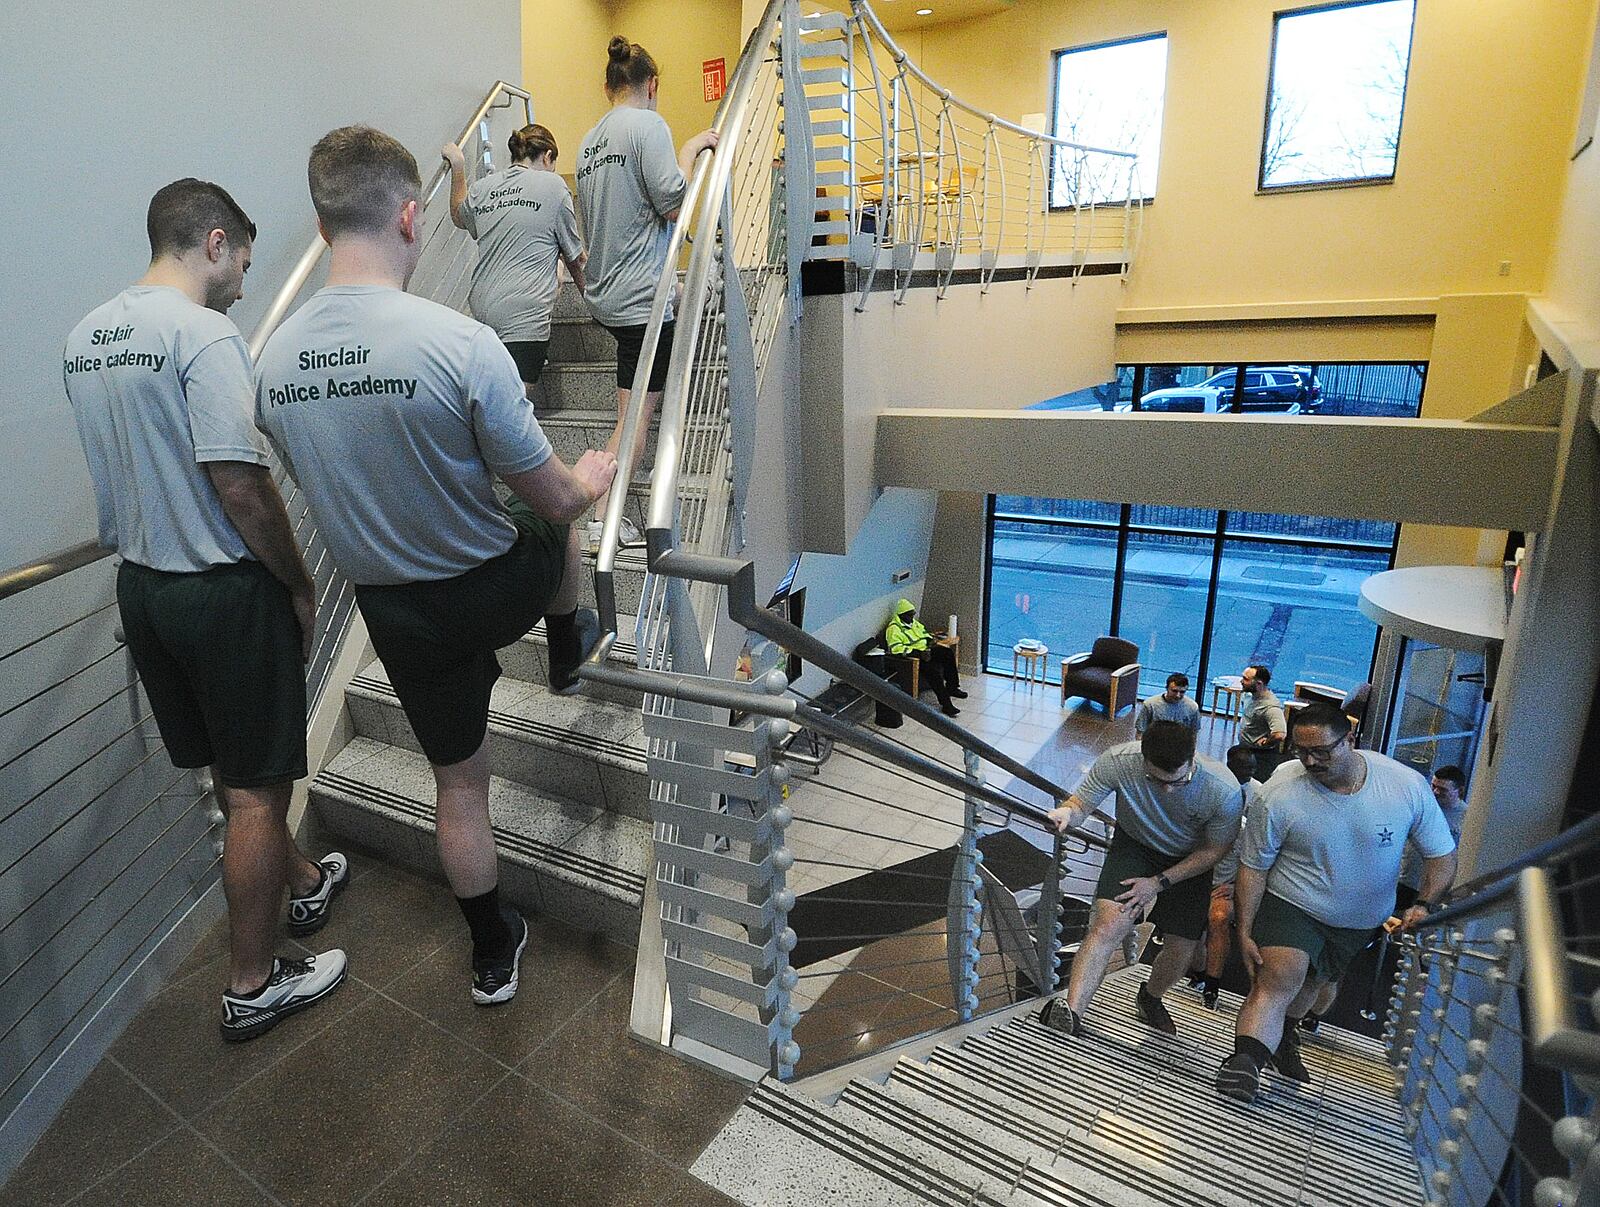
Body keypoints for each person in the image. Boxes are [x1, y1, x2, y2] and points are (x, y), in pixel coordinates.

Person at [256, 127, 618, 1006]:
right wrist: (594, 476)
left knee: (459, 786)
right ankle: (569, 647)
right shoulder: (460, 345)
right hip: (488, 587)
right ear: (412, 217)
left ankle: (493, 953)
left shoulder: (270, 367)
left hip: (396, 613)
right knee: (555, 522)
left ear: (323, 220)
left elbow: (323, 484)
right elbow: (558, 499)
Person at [62, 179, 348, 1041]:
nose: (242, 284)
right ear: (214, 241)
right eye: (243, 264)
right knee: (259, 789)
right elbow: (240, 482)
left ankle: (299, 881)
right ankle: (253, 982)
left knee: (229, 771)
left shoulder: (85, 338)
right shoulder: (202, 335)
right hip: (219, 592)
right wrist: (298, 583)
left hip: (145, 592)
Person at [1216, 703, 1458, 1102]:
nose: (1310, 761)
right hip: (1292, 902)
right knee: (1280, 977)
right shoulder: (1278, 793)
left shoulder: (1403, 785)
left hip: (1359, 920)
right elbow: (1254, 866)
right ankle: (1245, 1064)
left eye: (1322, 752)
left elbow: (1441, 855)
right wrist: (1243, 929)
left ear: (1350, 739)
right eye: (1301, 751)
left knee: (1313, 986)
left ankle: (1283, 1037)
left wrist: (1425, 904)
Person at [576, 36, 718, 549]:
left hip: (607, 295)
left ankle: (600, 507)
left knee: (629, 406)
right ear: (652, 85)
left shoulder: (589, 142)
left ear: (609, 85)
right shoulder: (649, 126)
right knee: (636, 419)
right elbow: (674, 201)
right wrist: (689, 149)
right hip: (640, 301)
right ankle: (601, 516)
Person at [1038, 721, 1244, 1038]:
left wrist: (1157, 883)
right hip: (1135, 845)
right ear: (1142, 757)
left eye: (1178, 781)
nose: (1167, 789)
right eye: (1155, 780)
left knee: (1182, 948)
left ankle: (1150, 997)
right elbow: (1080, 803)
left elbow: (1214, 850)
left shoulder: (1223, 789)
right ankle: (1073, 1013)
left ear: (1192, 760)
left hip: (1191, 859)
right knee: (1108, 925)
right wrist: (1067, 814)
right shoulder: (1118, 760)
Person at [443, 124, 587, 393]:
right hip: (524, 315)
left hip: (483, 311)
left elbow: (457, 215)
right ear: (547, 156)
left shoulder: (484, 187)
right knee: (513, 406)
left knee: (491, 401)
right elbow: (576, 260)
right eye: (553, 163)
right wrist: (594, 303)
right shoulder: (554, 186)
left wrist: (459, 167)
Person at [1193, 743, 1260, 1009]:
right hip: (1198, 873)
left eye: (1250, 770)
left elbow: (1260, 856)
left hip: (1229, 880)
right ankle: (1197, 972)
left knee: (1218, 918)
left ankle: (1212, 986)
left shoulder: (1259, 800)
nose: (1246, 773)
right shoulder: (1208, 788)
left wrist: (1236, 887)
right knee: (1189, 928)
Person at [1395, 765, 1469, 912]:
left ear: (1459, 791)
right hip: (1405, 881)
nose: (1435, 792)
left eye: (1443, 790)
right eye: (1433, 786)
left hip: (1434, 889)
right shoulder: (1423, 806)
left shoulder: (1467, 818)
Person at [884, 598, 966, 717]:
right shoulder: (894, 629)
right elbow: (896, 649)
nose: (912, 617)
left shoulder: (914, 623)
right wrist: (918, 653)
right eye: (909, 615)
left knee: (947, 653)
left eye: (913, 614)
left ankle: (953, 687)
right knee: (933, 671)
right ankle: (946, 705)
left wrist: (930, 640)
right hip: (916, 657)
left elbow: (924, 633)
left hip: (927, 650)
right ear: (902, 615)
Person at [1239, 664, 1287, 773]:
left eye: (1246, 679)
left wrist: (1266, 742)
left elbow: (1280, 734)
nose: (1241, 681)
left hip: (1260, 757)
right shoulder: (1248, 694)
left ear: (1259, 684)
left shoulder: (1270, 707)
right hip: (1245, 750)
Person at [1135, 673, 1201, 736]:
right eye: (1174, 691)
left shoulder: (1192, 707)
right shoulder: (1150, 704)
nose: (1178, 695)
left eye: (1182, 692)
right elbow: (1140, 731)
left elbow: (1194, 733)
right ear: (1167, 688)